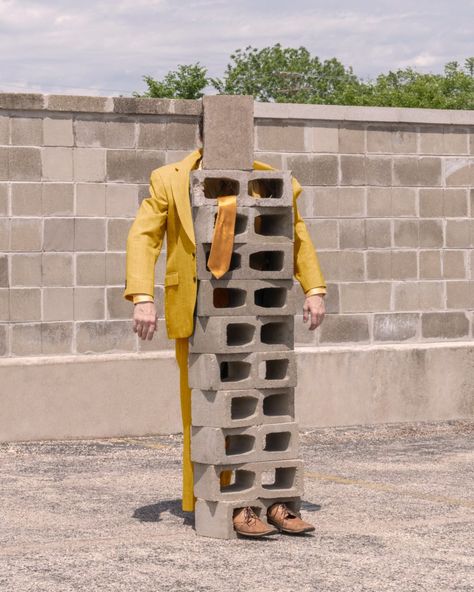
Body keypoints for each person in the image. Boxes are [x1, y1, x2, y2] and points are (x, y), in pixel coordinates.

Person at [123, 115, 327, 538]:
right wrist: (143, 297)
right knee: (210, 411)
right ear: (201, 135)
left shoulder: (271, 180)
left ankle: (274, 501)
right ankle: (232, 502)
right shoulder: (169, 178)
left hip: (260, 307)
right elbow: (144, 237)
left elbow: (297, 235)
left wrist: (315, 288)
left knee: (267, 405)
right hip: (200, 310)